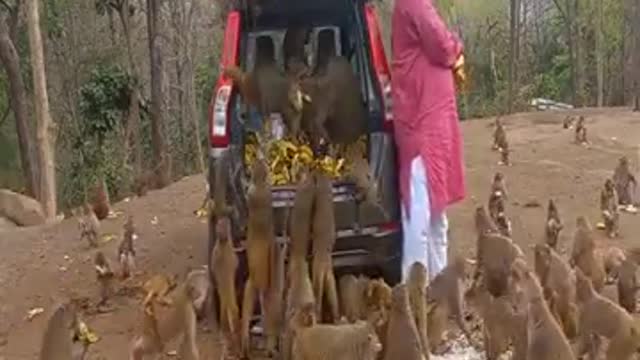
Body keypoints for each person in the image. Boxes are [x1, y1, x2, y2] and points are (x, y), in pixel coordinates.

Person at [391, 0, 466, 281]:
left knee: (437, 220)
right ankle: (415, 296)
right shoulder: (413, 3)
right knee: (420, 219)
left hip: (434, 125)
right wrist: (457, 48)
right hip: (421, 121)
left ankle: (439, 291)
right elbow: (441, 45)